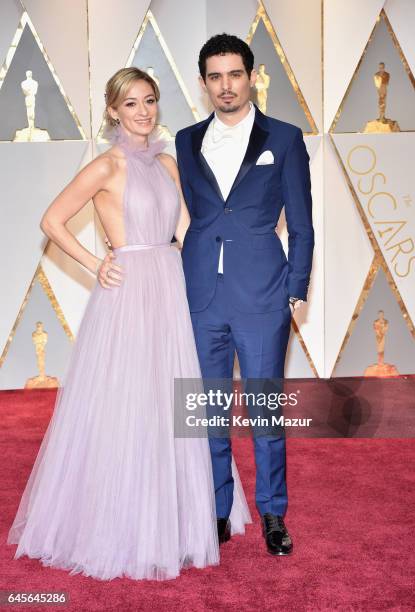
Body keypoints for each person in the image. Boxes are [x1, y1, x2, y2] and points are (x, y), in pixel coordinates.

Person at [7, 67, 251, 581]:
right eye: (132, 103)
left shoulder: (168, 164)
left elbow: (188, 232)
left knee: (174, 400)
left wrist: (232, 274)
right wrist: (96, 264)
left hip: (171, 286)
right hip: (128, 290)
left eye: (150, 101)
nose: (143, 112)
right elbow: (52, 221)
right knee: (128, 401)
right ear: (114, 111)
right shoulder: (105, 166)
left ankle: (180, 521)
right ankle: (122, 523)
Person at [175, 35, 314, 556]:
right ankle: (216, 513)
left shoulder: (284, 136)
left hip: (263, 296)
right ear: (204, 82)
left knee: (265, 413)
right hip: (201, 297)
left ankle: (273, 512)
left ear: (251, 76)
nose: (225, 86)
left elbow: (302, 224)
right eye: (214, 76)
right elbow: (184, 214)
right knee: (206, 413)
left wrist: (296, 288)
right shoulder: (186, 141)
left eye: (234, 74)